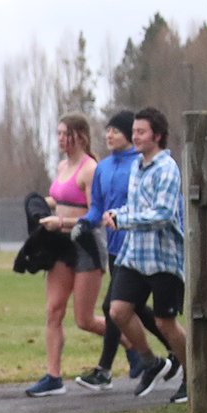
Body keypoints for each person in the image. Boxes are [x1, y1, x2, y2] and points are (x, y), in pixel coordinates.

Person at [76, 108, 167, 389]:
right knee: (131, 308)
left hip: (138, 247)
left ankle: (108, 369)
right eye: (107, 130)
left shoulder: (139, 166)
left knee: (112, 307)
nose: (109, 135)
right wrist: (84, 223)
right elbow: (97, 208)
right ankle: (168, 353)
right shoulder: (103, 168)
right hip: (115, 249)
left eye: (115, 130)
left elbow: (145, 207)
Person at [106, 107, 191, 402]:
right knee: (117, 311)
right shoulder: (136, 167)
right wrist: (117, 213)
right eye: (134, 131)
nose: (135, 136)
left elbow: (163, 214)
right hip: (134, 256)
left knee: (166, 323)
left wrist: (124, 220)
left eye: (141, 132)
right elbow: (136, 208)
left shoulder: (167, 169)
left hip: (163, 259)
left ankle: (193, 377)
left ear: (157, 135)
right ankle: (151, 362)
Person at [22, 114, 108, 396]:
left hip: (86, 245)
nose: (59, 139)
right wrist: (38, 203)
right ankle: (53, 377)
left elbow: (96, 216)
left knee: (85, 319)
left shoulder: (90, 169)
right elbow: (60, 199)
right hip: (61, 246)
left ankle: (135, 347)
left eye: (64, 134)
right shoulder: (61, 166)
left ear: (79, 135)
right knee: (53, 310)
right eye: (58, 133)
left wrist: (61, 222)